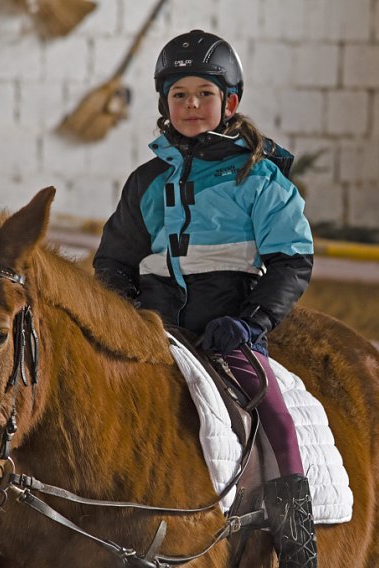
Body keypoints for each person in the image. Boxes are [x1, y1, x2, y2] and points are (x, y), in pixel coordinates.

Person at [93, 29, 317, 568]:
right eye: (180, 95)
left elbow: (292, 260)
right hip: (155, 331)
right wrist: (127, 314)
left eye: (204, 94)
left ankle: (296, 542)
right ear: (164, 104)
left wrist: (251, 322)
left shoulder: (260, 178)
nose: (191, 105)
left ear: (229, 103)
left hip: (228, 330)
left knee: (276, 415)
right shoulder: (145, 182)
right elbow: (113, 261)